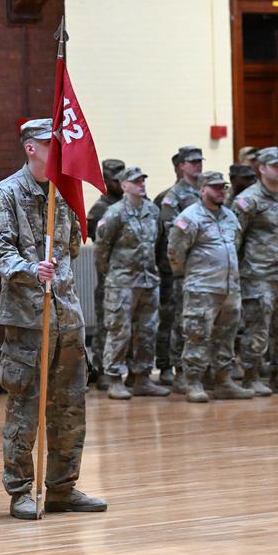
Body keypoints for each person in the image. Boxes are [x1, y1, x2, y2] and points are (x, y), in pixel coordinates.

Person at [0, 118, 106, 520]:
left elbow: (72, 246)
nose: (59, 149)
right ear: (30, 148)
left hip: (67, 315)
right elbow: (0, 254)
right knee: (25, 408)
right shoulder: (7, 194)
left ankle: (62, 487)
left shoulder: (64, 189)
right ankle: (20, 490)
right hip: (28, 318)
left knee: (70, 406)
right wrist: (30, 269)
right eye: (49, 144)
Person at [168, 171, 253, 402]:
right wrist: (192, 276)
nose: (221, 191)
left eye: (223, 187)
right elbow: (175, 253)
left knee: (226, 337)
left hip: (229, 288)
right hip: (202, 288)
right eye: (215, 187)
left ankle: (224, 381)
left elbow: (237, 244)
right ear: (203, 189)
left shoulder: (229, 217)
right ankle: (193, 382)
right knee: (197, 336)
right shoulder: (190, 218)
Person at [232, 147, 278, 395]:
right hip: (258, 276)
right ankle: (252, 377)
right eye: (275, 165)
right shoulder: (247, 200)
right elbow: (235, 238)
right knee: (257, 330)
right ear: (261, 169)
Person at [94, 166, 170, 399]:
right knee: (119, 331)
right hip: (122, 282)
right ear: (124, 185)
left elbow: (158, 243)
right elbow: (102, 248)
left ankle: (142, 378)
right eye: (136, 181)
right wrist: (112, 275)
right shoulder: (114, 213)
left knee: (147, 332)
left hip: (148, 281)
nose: (141, 184)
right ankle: (115, 378)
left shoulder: (153, 211)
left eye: (143, 180)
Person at [158, 146, 204, 394]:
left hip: (206, 270)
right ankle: (178, 370)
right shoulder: (172, 197)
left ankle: (201, 370)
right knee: (180, 322)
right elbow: (172, 233)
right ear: (181, 166)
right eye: (192, 162)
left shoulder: (206, 191)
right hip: (184, 271)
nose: (198, 165)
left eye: (199, 161)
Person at [87, 158, 125, 387]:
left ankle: (120, 368)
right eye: (115, 180)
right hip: (109, 277)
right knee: (105, 324)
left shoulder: (132, 204)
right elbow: (100, 246)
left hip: (130, 277)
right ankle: (100, 369)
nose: (119, 184)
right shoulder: (100, 209)